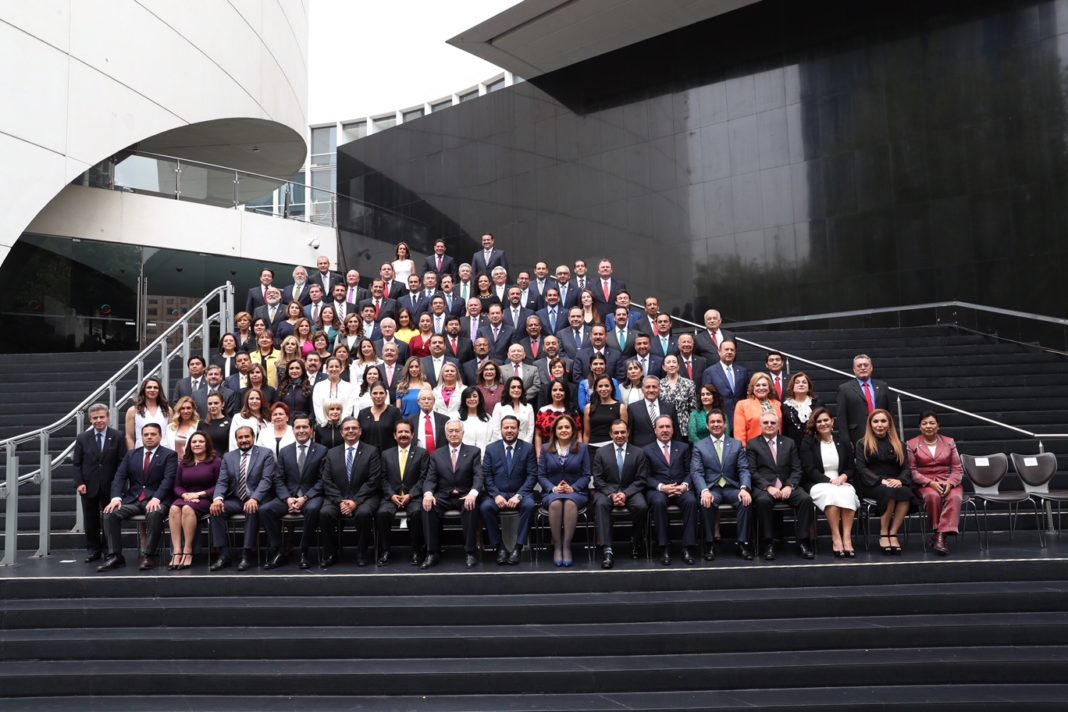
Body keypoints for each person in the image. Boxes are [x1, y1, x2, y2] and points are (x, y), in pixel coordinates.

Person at [97, 423, 177, 572]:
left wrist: (157, 498)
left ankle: (149, 555)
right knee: (109, 513)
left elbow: (169, 479)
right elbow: (119, 477)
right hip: (133, 500)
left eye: (153, 434)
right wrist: (115, 497)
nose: (149, 437)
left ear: (160, 436)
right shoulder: (131, 455)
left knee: (155, 513)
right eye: (146, 434)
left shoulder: (169, 455)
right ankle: (115, 556)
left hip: (157, 499)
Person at [257, 413, 327, 569]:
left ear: (311, 430)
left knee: (313, 509)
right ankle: (280, 549)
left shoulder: (322, 450)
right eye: (298, 427)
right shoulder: (285, 451)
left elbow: (323, 480)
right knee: (265, 510)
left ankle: (304, 551)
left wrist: (305, 498)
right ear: (293, 430)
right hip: (289, 496)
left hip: (311, 496)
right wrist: (287, 498)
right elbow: (278, 479)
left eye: (305, 427)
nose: (301, 430)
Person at [208, 425, 277, 571]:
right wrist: (218, 499)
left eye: (247, 436)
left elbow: (266, 480)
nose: (244, 440)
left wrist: (255, 498)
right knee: (216, 510)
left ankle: (247, 554)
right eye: (240, 437)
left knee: (251, 509)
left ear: (253, 437)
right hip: (236, 498)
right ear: (236, 440)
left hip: (257, 498)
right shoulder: (228, 456)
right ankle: (224, 554)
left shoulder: (266, 454)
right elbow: (222, 481)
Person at [748, 411, 814, 560]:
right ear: (760, 425)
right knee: (763, 501)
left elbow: (797, 468)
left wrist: (790, 486)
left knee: (806, 499)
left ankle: (803, 542)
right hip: (764, 488)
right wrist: (768, 487)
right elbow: (752, 471)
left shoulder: (789, 442)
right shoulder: (753, 444)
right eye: (766, 423)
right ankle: (768, 543)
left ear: (778, 425)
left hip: (787, 486)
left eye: (773, 423)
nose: (769, 425)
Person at [317, 416, 382, 568]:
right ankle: (330, 552)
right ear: (341, 433)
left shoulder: (371, 451)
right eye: (347, 428)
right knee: (325, 513)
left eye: (354, 428)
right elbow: (327, 481)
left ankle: (362, 552)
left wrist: (355, 501)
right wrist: (340, 501)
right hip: (338, 497)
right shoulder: (331, 453)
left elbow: (373, 480)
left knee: (364, 513)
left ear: (360, 431)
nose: (351, 431)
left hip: (365, 497)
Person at [690, 408, 753, 561]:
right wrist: (704, 490)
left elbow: (743, 469)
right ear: (707, 425)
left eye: (719, 421)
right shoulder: (699, 446)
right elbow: (696, 472)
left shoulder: (736, 444)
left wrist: (744, 488)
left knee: (745, 502)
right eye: (712, 422)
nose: (716, 424)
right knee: (706, 503)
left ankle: (742, 544)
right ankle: (710, 544)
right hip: (712, 488)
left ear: (725, 425)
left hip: (732, 487)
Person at [420, 419, 482, 569]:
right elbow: (430, 478)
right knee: (427, 507)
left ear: (462, 433)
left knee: (472, 506)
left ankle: (470, 552)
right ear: (446, 434)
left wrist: (473, 493)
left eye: (457, 431)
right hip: (443, 495)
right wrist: (428, 494)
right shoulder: (436, 454)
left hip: (465, 495)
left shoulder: (474, 451)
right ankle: (432, 552)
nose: (454, 434)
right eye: (450, 431)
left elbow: (479, 476)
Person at [72, 403, 127, 563]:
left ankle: (108, 549)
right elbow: (77, 463)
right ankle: (93, 550)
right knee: (91, 519)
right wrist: (79, 482)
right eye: (95, 418)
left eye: (102, 417)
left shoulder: (117, 436)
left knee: (109, 518)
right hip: (89, 485)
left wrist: (120, 485)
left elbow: (122, 462)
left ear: (108, 417)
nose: (99, 421)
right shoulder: (82, 438)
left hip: (111, 485)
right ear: (90, 419)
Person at [800, 407, 858, 558]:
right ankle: (836, 537)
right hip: (818, 482)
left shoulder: (843, 441)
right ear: (814, 424)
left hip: (841, 480)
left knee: (848, 492)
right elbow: (809, 469)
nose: (823, 423)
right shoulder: (808, 442)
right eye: (819, 421)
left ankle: (847, 537)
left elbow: (851, 468)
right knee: (831, 494)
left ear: (832, 422)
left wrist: (843, 477)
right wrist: (831, 481)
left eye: (826, 420)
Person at [591, 419, 650, 568]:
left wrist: (625, 494)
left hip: (631, 490)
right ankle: (607, 549)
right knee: (600, 504)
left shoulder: (639, 452)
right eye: (616, 432)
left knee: (642, 506)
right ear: (611, 434)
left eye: (623, 432)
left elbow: (641, 479)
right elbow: (598, 480)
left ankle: (635, 540)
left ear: (628, 433)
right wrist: (612, 494)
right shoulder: (601, 452)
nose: (620, 435)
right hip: (607, 491)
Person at [481, 415, 538, 565]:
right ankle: (500, 547)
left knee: (530, 505)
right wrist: (496, 495)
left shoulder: (528, 448)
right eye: (506, 427)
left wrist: (519, 495)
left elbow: (532, 476)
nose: (509, 430)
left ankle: (517, 547)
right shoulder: (491, 449)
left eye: (513, 427)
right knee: (486, 507)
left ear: (519, 429)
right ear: (501, 430)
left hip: (520, 493)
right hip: (497, 494)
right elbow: (487, 476)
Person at [856, 409, 914, 555]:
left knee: (906, 492)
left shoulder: (899, 444)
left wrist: (900, 480)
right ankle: (883, 533)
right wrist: (881, 481)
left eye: (883, 421)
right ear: (870, 424)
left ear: (889, 424)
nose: (879, 425)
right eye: (876, 421)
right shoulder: (862, 443)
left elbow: (906, 468)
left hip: (895, 481)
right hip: (872, 484)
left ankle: (893, 533)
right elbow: (862, 469)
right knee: (889, 492)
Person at [906, 412, 964, 555]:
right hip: (924, 483)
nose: (928, 426)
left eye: (932, 423)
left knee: (954, 497)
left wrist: (950, 483)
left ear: (938, 426)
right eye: (924, 423)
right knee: (933, 497)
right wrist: (929, 483)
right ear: (920, 427)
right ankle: (940, 534)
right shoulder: (911, 444)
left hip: (947, 480)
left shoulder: (949, 441)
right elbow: (912, 471)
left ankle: (939, 535)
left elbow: (957, 468)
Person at [537, 414, 591, 567]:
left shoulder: (582, 449)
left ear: (573, 430)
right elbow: (541, 475)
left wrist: (572, 488)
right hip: (552, 492)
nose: (564, 430)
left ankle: (566, 546)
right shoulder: (546, 448)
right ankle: (557, 545)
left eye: (567, 427)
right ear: (555, 431)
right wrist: (553, 488)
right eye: (560, 427)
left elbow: (587, 475)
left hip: (577, 493)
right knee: (555, 504)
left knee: (569, 503)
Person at [643, 415, 696, 565]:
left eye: (668, 427)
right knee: (658, 502)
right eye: (661, 427)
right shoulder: (646, 450)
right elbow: (645, 476)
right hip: (658, 489)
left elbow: (691, 471)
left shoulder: (684, 447)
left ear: (673, 429)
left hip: (680, 488)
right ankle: (664, 547)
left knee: (691, 501)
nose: (665, 430)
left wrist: (684, 485)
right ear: (655, 430)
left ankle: (687, 547)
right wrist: (661, 487)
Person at [375, 420, 429, 566]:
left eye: (406, 432)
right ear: (394, 435)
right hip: (391, 497)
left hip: (414, 497)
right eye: (400, 432)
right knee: (382, 514)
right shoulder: (386, 454)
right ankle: (385, 550)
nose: (403, 435)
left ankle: (417, 551)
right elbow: (382, 478)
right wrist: (392, 495)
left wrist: (410, 495)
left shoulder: (422, 453)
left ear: (412, 435)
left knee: (418, 512)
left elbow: (424, 478)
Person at [167, 431, 221, 570]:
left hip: (206, 499)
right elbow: (177, 486)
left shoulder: (216, 461)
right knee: (174, 508)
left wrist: (200, 494)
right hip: (186, 497)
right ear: (189, 445)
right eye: (194, 442)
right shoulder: (184, 462)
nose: (197, 444)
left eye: (201, 441)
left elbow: (220, 484)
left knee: (186, 508)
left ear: (207, 444)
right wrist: (184, 495)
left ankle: (188, 550)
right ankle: (177, 551)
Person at [836, 354, 891, 452]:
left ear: (871, 368)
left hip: (882, 435)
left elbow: (890, 413)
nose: (862, 368)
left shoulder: (883, 386)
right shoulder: (844, 389)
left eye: (866, 365)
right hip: (857, 436)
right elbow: (841, 418)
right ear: (854, 369)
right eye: (859, 365)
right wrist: (846, 440)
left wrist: (892, 436)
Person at [627, 376, 679, 448]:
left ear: (659, 389)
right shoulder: (632, 408)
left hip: (665, 449)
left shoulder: (670, 408)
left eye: (654, 387)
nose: (651, 390)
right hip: (641, 451)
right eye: (648, 387)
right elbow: (630, 434)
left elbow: (676, 433)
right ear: (642, 390)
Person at [535, 379, 583, 455]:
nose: (558, 393)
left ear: (565, 392)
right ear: (550, 392)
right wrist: (538, 454)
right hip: (548, 452)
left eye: (561, 390)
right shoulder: (543, 411)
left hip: (570, 453)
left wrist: (580, 454)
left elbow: (578, 435)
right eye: (554, 390)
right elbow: (538, 435)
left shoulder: (573, 412)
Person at [701, 340, 747, 419]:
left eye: (732, 350)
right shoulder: (709, 372)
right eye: (726, 349)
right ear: (719, 352)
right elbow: (706, 396)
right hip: (720, 417)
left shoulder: (742, 371)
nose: (729, 352)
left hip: (741, 416)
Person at [733, 372, 782, 447]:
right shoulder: (742, 405)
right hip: (753, 449)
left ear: (769, 388)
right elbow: (739, 433)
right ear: (752, 388)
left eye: (764, 385)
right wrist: (743, 450)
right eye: (757, 385)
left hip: (776, 447)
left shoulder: (777, 404)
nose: (761, 388)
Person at [124, 377, 172, 451]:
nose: (152, 390)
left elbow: (171, 433)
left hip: (164, 451)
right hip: (141, 450)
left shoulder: (167, 410)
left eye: (155, 387)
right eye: (149, 387)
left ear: (159, 391)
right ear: (143, 390)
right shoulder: (133, 411)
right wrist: (132, 455)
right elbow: (129, 436)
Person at [357, 382, 403, 453]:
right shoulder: (362, 413)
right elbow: (358, 437)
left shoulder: (394, 412)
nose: (378, 396)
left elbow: (399, 434)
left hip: (389, 457)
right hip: (366, 457)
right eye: (375, 393)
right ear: (370, 395)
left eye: (381, 393)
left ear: (386, 395)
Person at [584, 374, 626, 449]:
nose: (603, 389)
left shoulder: (621, 407)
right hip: (592, 447)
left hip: (613, 448)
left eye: (606, 386)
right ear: (596, 388)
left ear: (612, 388)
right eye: (600, 386)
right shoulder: (589, 408)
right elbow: (587, 434)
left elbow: (624, 433)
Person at [659, 354, 696, 436]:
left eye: (674, 362)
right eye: (668, 362)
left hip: (684, 427)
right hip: (665, 426)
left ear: (678, 366)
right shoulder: (659, 384)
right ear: (664, 367)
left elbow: (693, 409)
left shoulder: (688, 383)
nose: (672, 365)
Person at [490, 376, 535, 443]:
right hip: (503, 446)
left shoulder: (528, 407)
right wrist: (506, 445)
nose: (516, 390)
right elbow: (496, 429)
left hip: (523, 445)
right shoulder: (499, 406)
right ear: (508, 389)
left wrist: (525, 446)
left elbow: (530, 430)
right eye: (513, 387)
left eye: (519, 387)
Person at [312, 357, 356, 426]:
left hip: (343, 427)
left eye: (337, 366)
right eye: (331, 367)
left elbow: (348, 408)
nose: (334, 369)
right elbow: (317, 407)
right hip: (323, 426)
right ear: (326, 369)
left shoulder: (349, 387)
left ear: (341, 369)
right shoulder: (319, 386)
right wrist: (324, 422)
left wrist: (342, 423)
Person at [781, 371, 820, 447]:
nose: (801, 384)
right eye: (797, 382)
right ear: (792, 387)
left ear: (809, 387)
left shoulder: (818, 404)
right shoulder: (785, 406)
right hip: (793, 447)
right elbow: (784, 429)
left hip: (815, 445)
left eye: (804, 382)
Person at [458, 386, 493, 454]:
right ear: (464, 399)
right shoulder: (457, 418)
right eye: (468, 397)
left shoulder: (488, 418)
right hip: (463, 457)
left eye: (474, 396)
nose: (472, 399)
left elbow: (492, 439)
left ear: (479, 399)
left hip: (485, 457)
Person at [166, 396, 200, 460]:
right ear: (179, 410)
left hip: (191, 462)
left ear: (193, 409)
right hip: (173, 462)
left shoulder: (199, 425)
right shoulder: (170, 427)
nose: (186, 411)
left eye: (188, 408)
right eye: (182, 408)